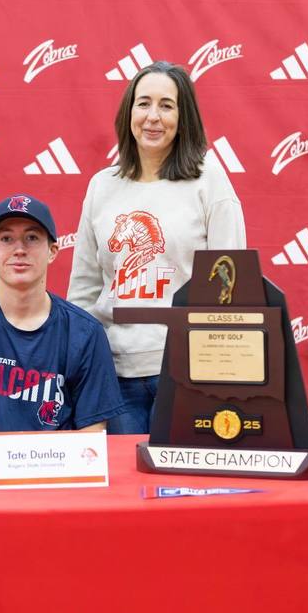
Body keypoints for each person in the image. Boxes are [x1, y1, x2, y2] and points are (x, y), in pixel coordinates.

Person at [67, 61, 246, 434]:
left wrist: (220, 374)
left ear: (184, 117)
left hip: (187, 374)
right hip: (112, 378)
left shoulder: (208, 180)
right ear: (128, 111)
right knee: (124, 491)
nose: (153, 116)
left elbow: (231, 289)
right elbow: (84, 288)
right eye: (143, 103)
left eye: (167, 105)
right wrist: (81, 364)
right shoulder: (102, 186)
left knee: (186, 489)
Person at [0, 195, 125, 435]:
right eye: (6, 239)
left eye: (32, 238)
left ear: (53, 250)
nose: (19, 249)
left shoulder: (85, 333)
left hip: (61, 469)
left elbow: (91, 445)